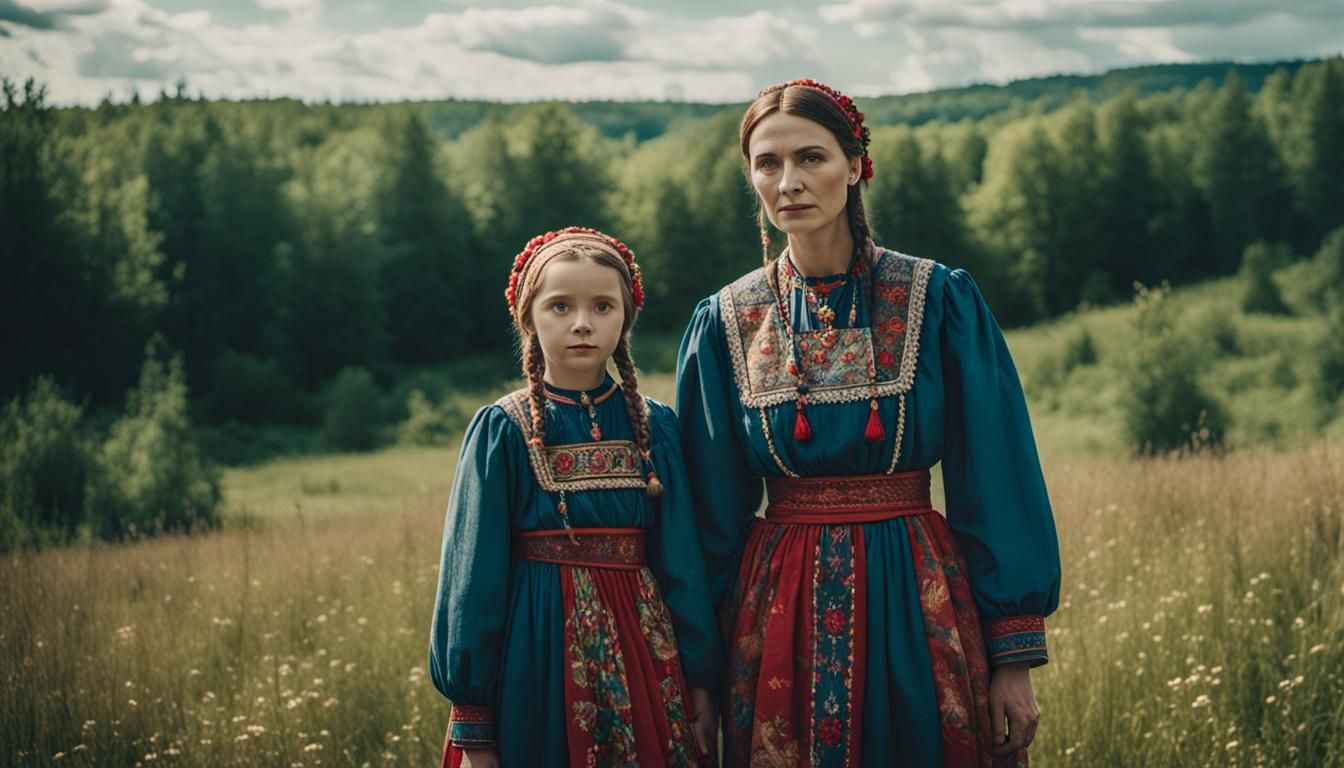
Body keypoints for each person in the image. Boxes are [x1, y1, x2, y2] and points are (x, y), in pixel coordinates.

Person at [675, 79, 1061, 767]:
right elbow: (708, 519)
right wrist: (699, 674)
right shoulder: (726, 321)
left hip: (918, 596)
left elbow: (993, 475)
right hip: (776, 616)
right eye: (768, 163)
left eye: (812, 158)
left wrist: (1013, 657)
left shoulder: (939, 299)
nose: (789, 181)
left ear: (856, 166)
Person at [430, 227, 719, 768]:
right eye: (560, 306)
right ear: (529, 316)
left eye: (602, 306)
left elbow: (682, 564)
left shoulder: (656, 428)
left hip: (644, 657)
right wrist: (473, 722)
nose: (582, 323)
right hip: (537, 657)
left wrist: (700, 680)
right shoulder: (502, 430)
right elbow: (473, 582)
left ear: (625, 317)